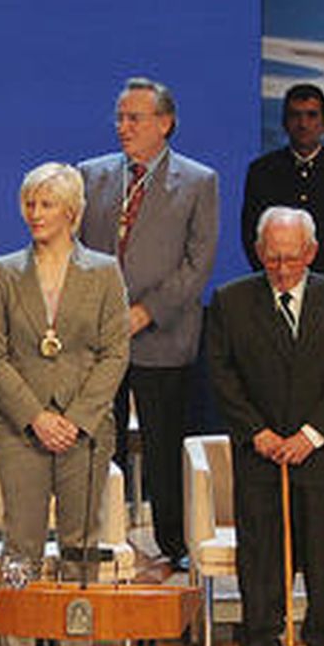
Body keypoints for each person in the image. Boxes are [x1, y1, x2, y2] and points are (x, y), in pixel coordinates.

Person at [0, 162, 129, 646]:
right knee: (20, 547)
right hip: (22, 431)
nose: (35, 214)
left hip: (85, 433)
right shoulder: (4, 272)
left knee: (80, 547)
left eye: (46, 205)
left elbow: (115, 352)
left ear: (72, 212)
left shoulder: (104, 272)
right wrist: (35, 417)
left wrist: (78, 418)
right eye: (30, 203)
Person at [206, 207, 324, 646]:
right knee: (261, 564)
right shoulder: (231, 301)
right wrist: (258, 432)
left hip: (321, 458)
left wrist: (310, 436)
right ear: (259, 252)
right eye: (272, 258)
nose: (281, 268)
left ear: (310, 253)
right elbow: (222, 376)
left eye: (291, 258)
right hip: (262, 457)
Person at [79, 77, 218, 573]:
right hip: (100, 340)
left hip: (164, 336)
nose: (123, 126)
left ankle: (174, 543)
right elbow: (75, 253)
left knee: (164, 446)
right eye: (119, 117)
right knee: (100, 444)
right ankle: (101, 536)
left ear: (165, 123)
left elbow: (197, 264)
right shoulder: (91, 176)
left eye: (134, 118)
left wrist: (144, 312)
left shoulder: (198, 181)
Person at [241, 84, 324, 280]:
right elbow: (251, 234)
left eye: (311, 115)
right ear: (284, 123)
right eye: (295, 115)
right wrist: (278, 276)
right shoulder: (262, 171)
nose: (303, 124)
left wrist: (319, 284)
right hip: (275, 283)